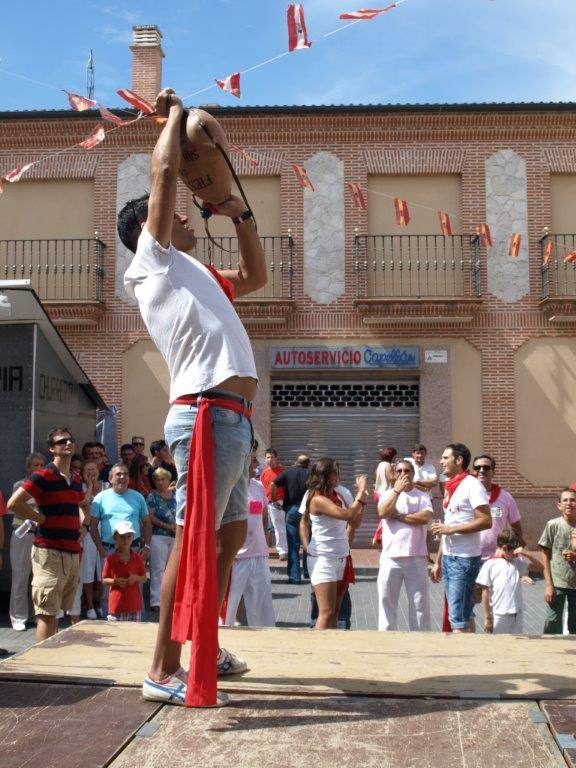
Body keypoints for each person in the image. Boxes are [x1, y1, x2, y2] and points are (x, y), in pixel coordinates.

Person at [118, 87, 266, 707]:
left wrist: (240, 213)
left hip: (232, 419)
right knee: (194, 540)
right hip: (203, 414)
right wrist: (175, 117)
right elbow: (162, 170)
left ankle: (202, 640)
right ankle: (160, 667)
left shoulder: (200, 274)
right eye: (177, 212)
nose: (187, 214)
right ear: (149, 229)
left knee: (227, 542)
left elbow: (256, 278)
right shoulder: (152, 265)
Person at [7, 427, 93, 641]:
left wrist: (84, 527)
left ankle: (50, 662)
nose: (67, 443)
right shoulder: (43, 475)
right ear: (52, 449)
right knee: (46, 613)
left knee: (56, 613)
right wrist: (41, 519)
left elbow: (83, 503)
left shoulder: (73, 479)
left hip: (72, 552)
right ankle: (42, 669)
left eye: (70, 440)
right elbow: (13, 503)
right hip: (49, 551)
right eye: (61, 441)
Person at [430, 442, 491, 633]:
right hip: (450, 557)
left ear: (459, 460)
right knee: (464, 614)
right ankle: (469, 653)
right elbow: (447, 527)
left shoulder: (472, 485)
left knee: (458, 618)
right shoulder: (451, 487)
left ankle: (462, 657)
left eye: (445, 458)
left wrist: (451, 529)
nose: (441, 462)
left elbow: (486, 521)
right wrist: (439, 561)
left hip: (464, 560)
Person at [300, 458, 366, 629]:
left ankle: (331, 648)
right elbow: (349, 516)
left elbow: (355, 522)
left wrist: (362, 501)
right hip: (323, 558)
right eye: (335, 472)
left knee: (336, 611)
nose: (339, 476)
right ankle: (316, 652)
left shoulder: (340, 494)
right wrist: (361, 493)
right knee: (326, 612)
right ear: (325, 475)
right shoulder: (317, 498)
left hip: (340, 557)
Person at [377, 459, 432, 631]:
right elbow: (383, 513)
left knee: (419, 604)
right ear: (394, 475)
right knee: (387, 601)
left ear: (413, 474)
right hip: (390, 557)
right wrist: (396, 491)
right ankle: (386, 639)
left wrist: (399, 516)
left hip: (416, 557)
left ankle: (420, 639)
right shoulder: (387, 494)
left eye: (407, 471)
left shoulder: (422, 495)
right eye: (399, 471)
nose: (403, 474)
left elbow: (425, 517)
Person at [221, 451, 275, 627]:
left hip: (258, 554)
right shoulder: (229, 487)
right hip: (236, 558)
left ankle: (266, 640)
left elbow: (264, 517)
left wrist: (265, 541)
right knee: (229, 605)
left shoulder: (258, 486)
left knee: (262, 606)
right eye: (253, 461)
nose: (257, 464)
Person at [476, 528, 542, 635]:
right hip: (499, 615)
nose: (516, 555)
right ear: (505, 548)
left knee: (516, 647)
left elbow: (539, 568)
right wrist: (487, 618)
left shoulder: (517, 562)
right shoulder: (490, 564)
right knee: (498, 647)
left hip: (517, 614)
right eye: (514, 552)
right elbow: (485, 592)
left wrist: (526, 554)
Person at [9, 452, 46, 631]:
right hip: (22, 534)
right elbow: (15, 509)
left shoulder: (47, 486)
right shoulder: (20, 485)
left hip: (41, 535)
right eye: (35, 465)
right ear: (28, 468)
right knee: (20, 577)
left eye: (41, 465)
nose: (38, 468)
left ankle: (34, 614)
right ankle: (18, 617)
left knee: (38, 578)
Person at [539, 487, 576, 634]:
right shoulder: (553, 525)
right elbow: (545, 555)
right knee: (552, 623)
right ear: (559, 505)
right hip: (557, 583)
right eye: (565, 500)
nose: (569, 503)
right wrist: (549, 585)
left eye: (573, 500)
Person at [472, 454, 524, 560]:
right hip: (471, 557)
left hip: (498, 557)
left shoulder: (505, 497)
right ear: (474, 472)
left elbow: (516, 526)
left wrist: (518, 547)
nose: (481, 470)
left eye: (486, 467)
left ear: (493, 472)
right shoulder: (466, 496)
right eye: (477, 468)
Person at [271, 454, 310, 583]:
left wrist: (274, 500)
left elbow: (273, 484)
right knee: (307, 543)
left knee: (293, 545)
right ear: (308, 464)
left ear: (296, 462)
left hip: (292, 510)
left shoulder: (288, 472)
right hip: (307, 511)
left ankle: (294, 577)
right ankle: (308, 572)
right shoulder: (311, 474)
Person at [79, 461, 109, 619]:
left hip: (105, 534)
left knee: (102, 572)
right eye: (87, 469)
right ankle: (89, 605)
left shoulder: (107, 486)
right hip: (89, 533)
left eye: (93, 469)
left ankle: (99, 603)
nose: (91, 472)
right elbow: (84, 502)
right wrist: (90, 485)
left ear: (99, 470)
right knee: (88, 571)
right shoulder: (81, 488)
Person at [102, 520, 147, 621]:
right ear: (115, 538)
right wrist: (115, 581)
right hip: (117, 606)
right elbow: (104, 579)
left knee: (134, 635)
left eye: (129, 537)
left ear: (133, 538)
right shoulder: (110, 559)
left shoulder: (137, 558)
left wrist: (135, 577)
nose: (126, 540)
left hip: (134, 606)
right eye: (122, 537)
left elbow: (144, 578)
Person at [147, 467, 177, 610]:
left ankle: (171, 599)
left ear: (168, 479)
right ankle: (156, 601)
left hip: (175, 536)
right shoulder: (152, 496)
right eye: (157, 480)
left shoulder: (176, 494)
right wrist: (167, 526)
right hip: (159, 535)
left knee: (172, 569)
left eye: (162, 479)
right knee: (158, 569)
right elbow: (150, 517)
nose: (159, 482)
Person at [260, 448, 287, 559]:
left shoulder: (282, 471)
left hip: (278, 503)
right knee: (262, 526)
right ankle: (262, 550)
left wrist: (283, 503)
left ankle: (283, 551)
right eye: (268, 457)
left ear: (276, 458)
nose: (270, 459)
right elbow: (261, 488)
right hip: (265, 503)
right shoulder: (264, 473)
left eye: (272, 457)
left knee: (279, 527)